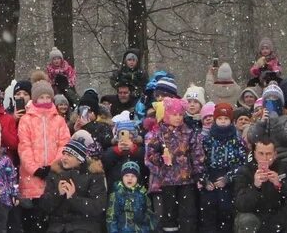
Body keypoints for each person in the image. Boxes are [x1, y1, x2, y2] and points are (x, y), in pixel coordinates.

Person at [146, 96, 205, 233]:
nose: (178, 117)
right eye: (174, 114)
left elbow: (197, 154)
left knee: (188, 214)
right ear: (167, 115)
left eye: (180, 114)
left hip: (186, 180)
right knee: (169, 214)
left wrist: (198, 173)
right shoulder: (158, 134)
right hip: (167, 182)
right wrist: (161, 159)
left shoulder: (189, 132)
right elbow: (150, 155)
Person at [19, 81, 71, 233]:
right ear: (35, 99)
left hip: (53, 175)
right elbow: (24, 147)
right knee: (32, 221)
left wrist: (53, 166)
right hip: (31, 178)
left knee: (52, 219)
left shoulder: (59, 120)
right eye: (41, 97)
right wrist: (35, 169)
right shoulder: (26, 120)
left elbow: (64, 144)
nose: (45, 100)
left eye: (48, 97)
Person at [232, 137, 287, 233]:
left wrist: (279, 184)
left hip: (277, 215)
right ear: (254, 154)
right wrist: (255, 187)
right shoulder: (245, 171)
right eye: (261, 153)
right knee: (246, 219)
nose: (265, 158)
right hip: (255, 215)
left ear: (275, 155)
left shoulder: (283, 168)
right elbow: (240, 204)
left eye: (269, 154)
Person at [37, 140, 106, 233]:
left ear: (80, 159)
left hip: (85, 226)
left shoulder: (94, 175)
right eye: (64, 154)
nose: (64, 158)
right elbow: (45, 206)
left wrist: (73, 198)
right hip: (57, 226)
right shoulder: (55, 173)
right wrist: (57, 194)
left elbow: (98, 207)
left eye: (69, 155)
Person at [203, 103, 249, 233]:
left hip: (228, 177)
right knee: (208, 207)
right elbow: (200, 160)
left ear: (231, 121)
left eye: (226, 119)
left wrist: (228, 177)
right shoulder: (207, 139)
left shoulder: (236, 140)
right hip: (211, 176)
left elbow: (241, 163)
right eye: (220, 119)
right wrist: (204, 179)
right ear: (215, 120)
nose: (223, 122)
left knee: (226, 209)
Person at [247, 86, 287, 175]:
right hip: (261, 161)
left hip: (283, 161)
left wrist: (275, 122)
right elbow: (252, 139)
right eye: (268, 99)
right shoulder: (258, 117)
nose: (271, 101)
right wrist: (261, 123)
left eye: (275, 98)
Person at [107, 161, 153, 233]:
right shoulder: (116, 194)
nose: (130, 178)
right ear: (122, 177)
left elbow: (148, 215)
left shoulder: (143, 194)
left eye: (133, 176)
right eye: (127, 175)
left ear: (137, 178)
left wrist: (146, 229)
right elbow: (111, 218)